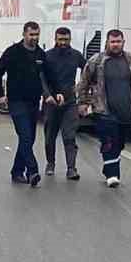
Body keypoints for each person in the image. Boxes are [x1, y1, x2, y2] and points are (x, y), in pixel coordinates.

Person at [77, 29, 131, 187]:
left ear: (123, 42)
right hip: (104, 110)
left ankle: (109, 168)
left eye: (118, 41)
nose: (115, 45)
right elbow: (83, 82)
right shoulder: (97, 61)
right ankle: (112, 174)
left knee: (119, 143)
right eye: (112, 42)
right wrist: (83, 102)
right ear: (107, 42)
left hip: (126, 110)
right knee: (109, 141)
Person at [0, 19, 52, 186]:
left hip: (33, 102)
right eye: (31, 34)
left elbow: (47, 77)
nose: (34, 38)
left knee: (29, 139)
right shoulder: (13, 52)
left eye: (37, 35)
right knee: (25, 136)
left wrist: (52, 94)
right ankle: (32, 171)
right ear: (24, 34)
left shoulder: (40, 54)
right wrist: (1, 95)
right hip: (16, 102)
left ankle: (17, 172)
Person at [42, 25, 86, 179]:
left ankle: (71, 168)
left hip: (70, 102)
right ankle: (50, 163)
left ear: (70, 39)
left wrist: (80, 88)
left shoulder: (76, 56)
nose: (63, 42)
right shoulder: (47, 56)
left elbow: (88, 72)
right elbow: (42, 79)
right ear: (55, 39)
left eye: (66, 39)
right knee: (49, 137)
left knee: (69, 136)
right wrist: (47, 95)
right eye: (60, 39)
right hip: (51, 102)